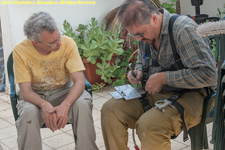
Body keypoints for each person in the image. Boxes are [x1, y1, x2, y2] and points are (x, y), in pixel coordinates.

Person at [101, 0, 217, 150]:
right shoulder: (145, 34)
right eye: (134, 35)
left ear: (154, 19)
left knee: (149, 126)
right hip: (158, 92)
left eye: (140, 34)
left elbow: (208, 75)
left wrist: (163, 78)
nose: (138, 40)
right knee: (110, 110)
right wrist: (138, 72)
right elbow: (141, 60)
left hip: (193, 94)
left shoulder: (183, 29)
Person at [13, 12, 98, 150]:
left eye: (59, 37)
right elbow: (26, 91)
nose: (59, 43)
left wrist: (65, 105)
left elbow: (79, 82)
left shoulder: (68, 43)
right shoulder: (20, 51)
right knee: (28, 114)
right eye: (52, 43)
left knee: (82, 104)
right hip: (35, 97)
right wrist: (44, 105)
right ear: (35, 42)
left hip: (64, 91)